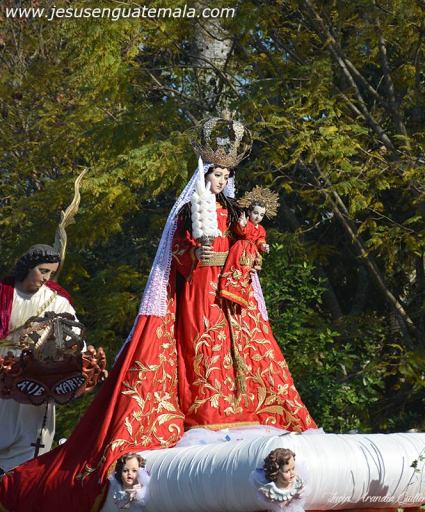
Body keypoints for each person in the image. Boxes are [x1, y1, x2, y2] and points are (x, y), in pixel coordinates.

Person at [0, 118, 316, 511]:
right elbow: (177, 254)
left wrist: (250, 252)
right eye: (215, 175)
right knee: (203, 345)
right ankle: (204, 406)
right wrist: (196, 253)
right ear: (204, 175)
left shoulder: (233, 210)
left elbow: (247, 241)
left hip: (231, 291)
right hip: (200, 288)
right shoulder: (190, 210)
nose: (220, 182)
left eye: (225, 177)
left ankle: (239, 407)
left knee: (239, 349)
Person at [0, 244, 75, 473]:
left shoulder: (56, 301)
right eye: (42, 271)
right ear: (28, 266)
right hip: (3, 371)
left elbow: (72, 334)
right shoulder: (4, 293)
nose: (46, 278)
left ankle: (20, 481)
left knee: (31, 438)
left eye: (51, 273)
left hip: (36, 377)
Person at [219, 186, 279, 310]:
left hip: (252, 253)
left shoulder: (261, 229)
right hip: (241, 250)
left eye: (261, 215)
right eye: (255, 213)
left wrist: (263, 246)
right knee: (237, 269)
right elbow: (240, 231)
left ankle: (242, 293)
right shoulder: (246, 223)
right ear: (249, 211)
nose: (258, 217)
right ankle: (231, 288)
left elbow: (260, 240)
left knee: (248, 275)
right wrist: (242, 225)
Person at [252, 447, 305, 512]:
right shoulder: (270, 490)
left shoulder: (296, 483)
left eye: (293, 468)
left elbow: (299, 497)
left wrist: (297, 496)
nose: (292, 473)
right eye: (287, 471)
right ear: (276, 472)